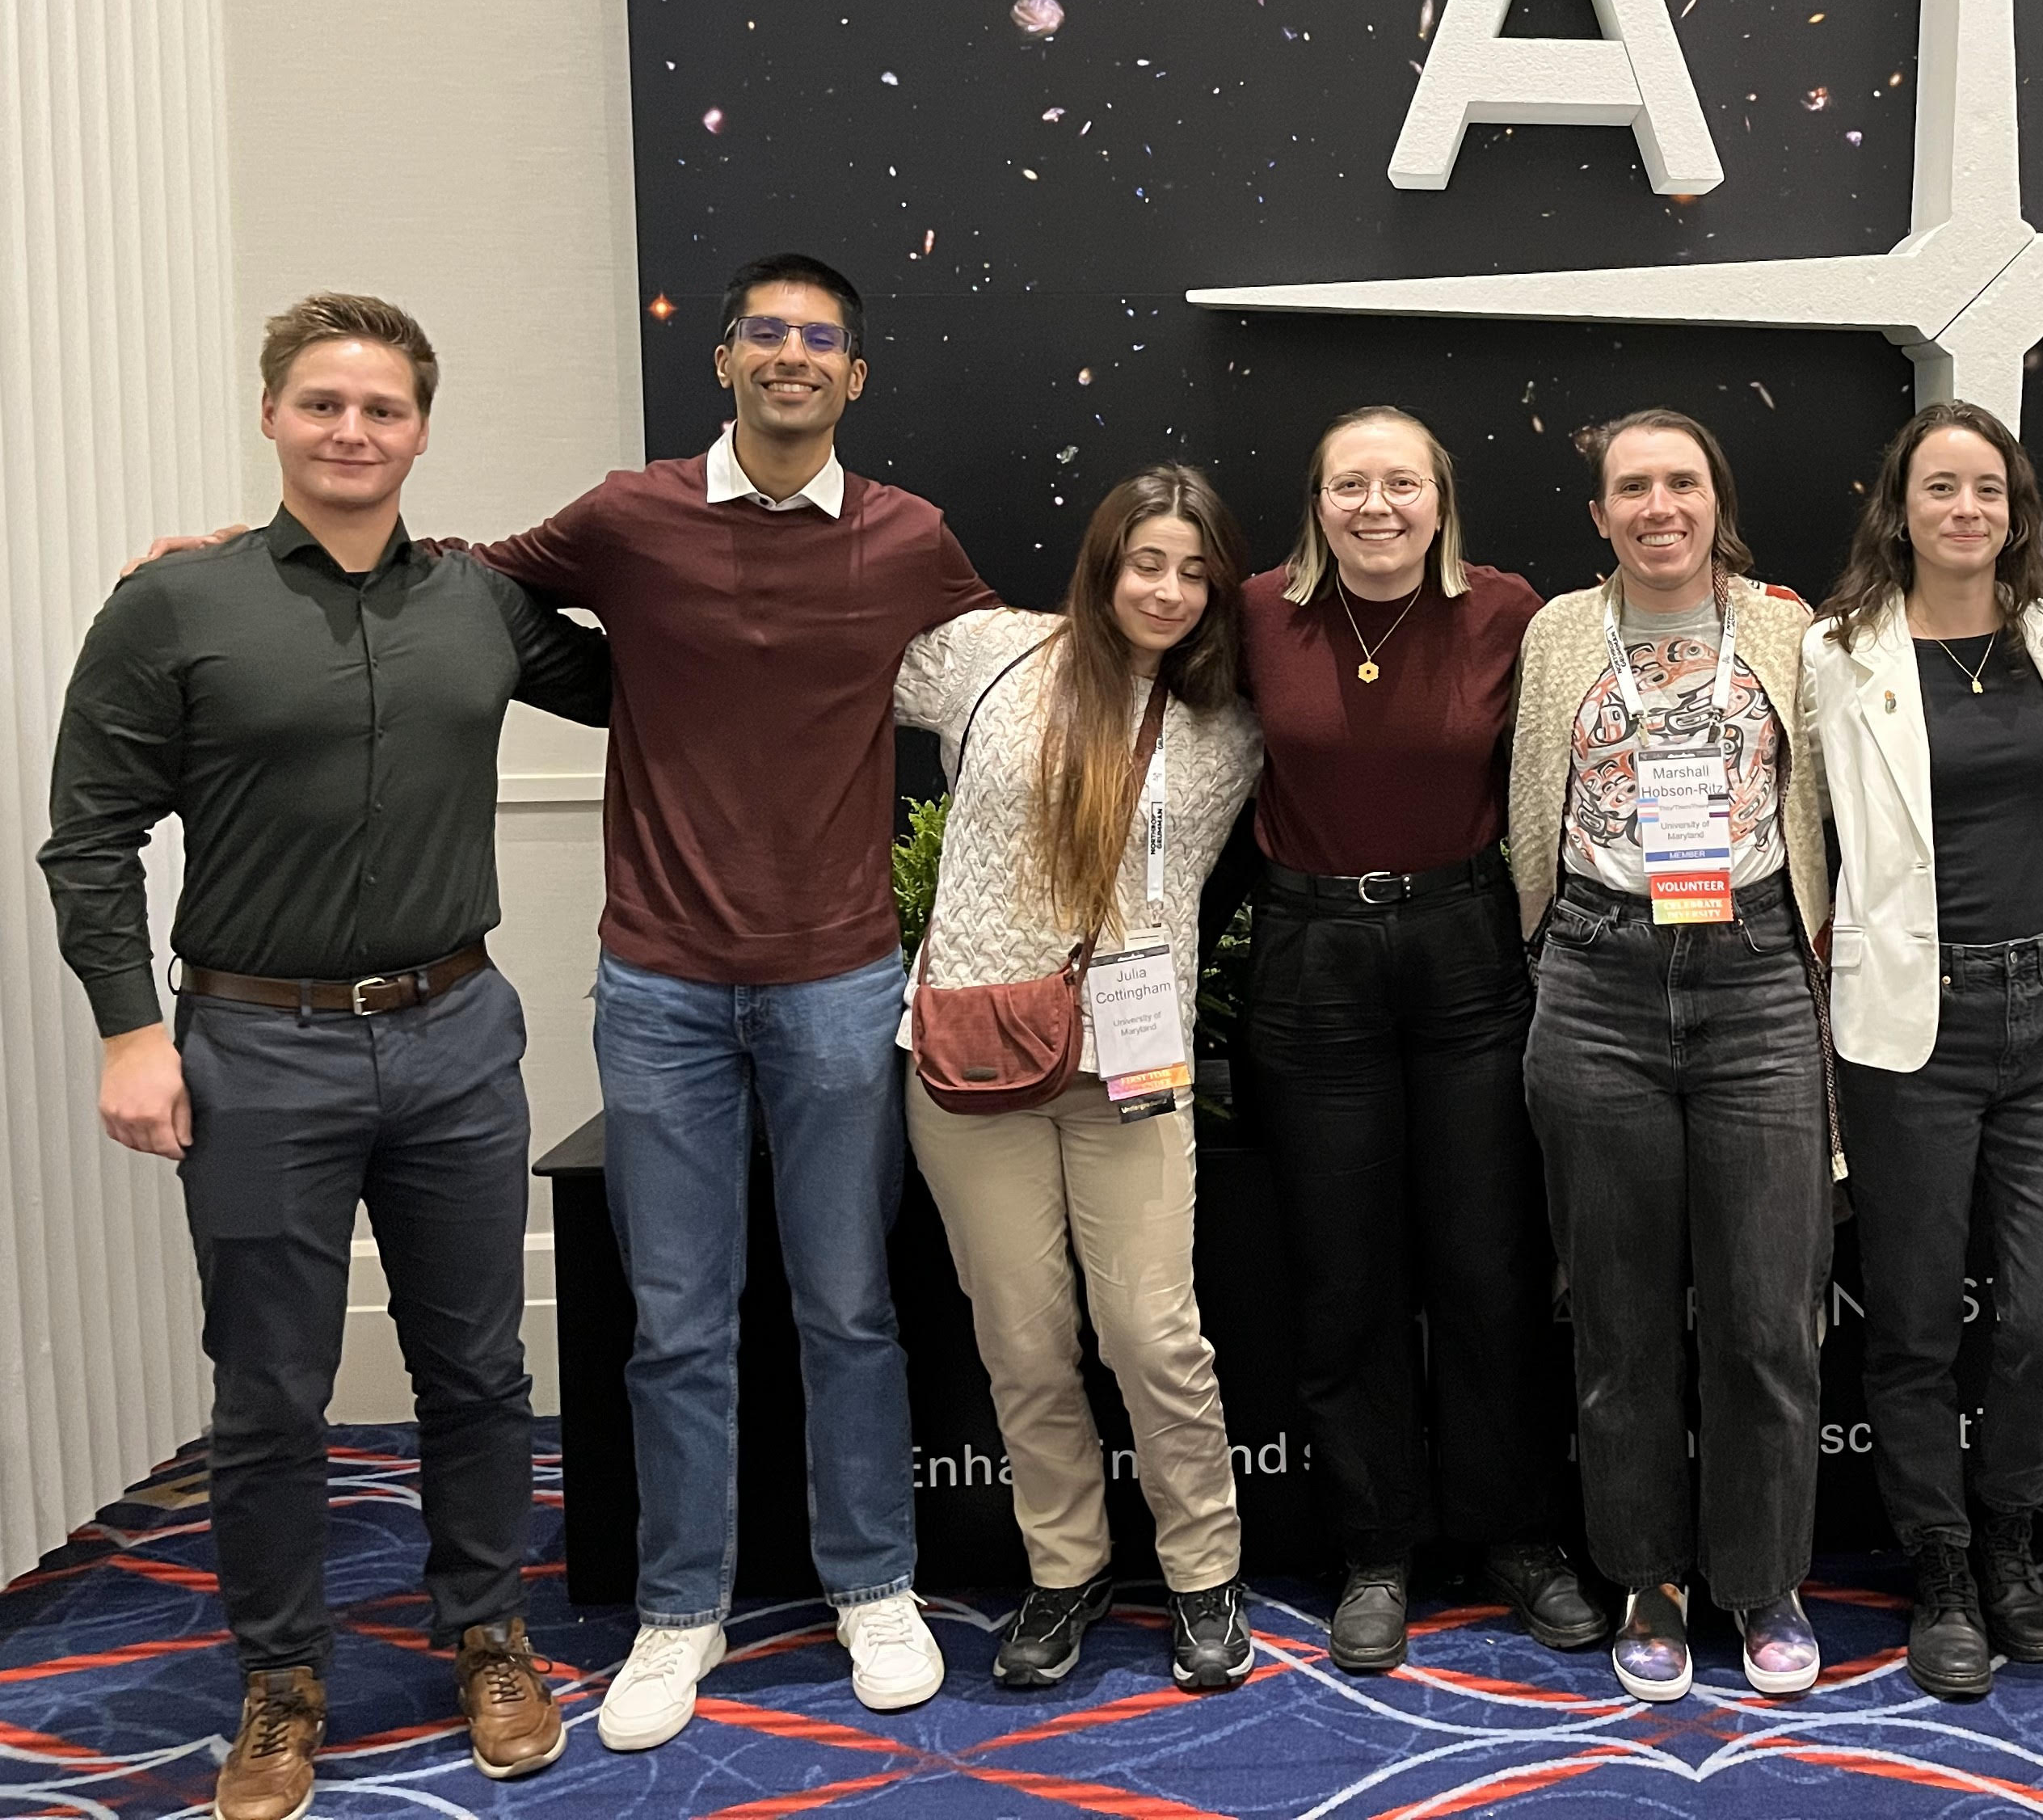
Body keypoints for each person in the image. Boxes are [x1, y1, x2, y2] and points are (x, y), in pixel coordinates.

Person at [40, 295, 609, 1820]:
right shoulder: (173, 606)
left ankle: (488, 1632)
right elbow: (88, 835)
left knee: (479, 1368)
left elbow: (663, 688)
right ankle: (281, 1681)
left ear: (422, 430)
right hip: (252, 1048)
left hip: (457, 1036)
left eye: (383, 409)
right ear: (276, 417)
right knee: (273, 1392)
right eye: (324, 405)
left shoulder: (481, 603)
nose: (353, 431)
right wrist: (129, 1031)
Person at [471, 255, 994, 1748]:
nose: (790, 357)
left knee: (847, 1307)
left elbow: (1009, 674)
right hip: (660, 986)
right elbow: (472, 580)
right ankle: (678, 1609)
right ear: (722, 360)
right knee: (676, 1322)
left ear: (854, 376)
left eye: (818, 340)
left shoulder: (907, 538)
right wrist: (252, 553)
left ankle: (870, 1583)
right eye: (765, 334)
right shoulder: (632, 519)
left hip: (838, 981)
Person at [1235, 408, 1599, 1674]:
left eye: (1401, 483)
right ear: (1316, 501)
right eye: (1350, 484)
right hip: (1310, 958)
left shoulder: (1509, 612)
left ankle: (1515, 1539)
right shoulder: (1254, 613)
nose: (1375, 505)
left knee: (1490, 1264)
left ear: (1442, 499)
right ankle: (1377, 1550)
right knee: (1343, 1277)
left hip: (1464, 952)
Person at [895, 467, 1266, 1694]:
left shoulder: (1234, 717)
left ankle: (1205, 1569)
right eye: (1145, 561)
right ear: (1104, 563)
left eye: (1194, 569)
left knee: (1152, 1333)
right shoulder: (992, 656)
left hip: (1134, 1058)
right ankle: (1064, 1572)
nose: (1166, 589)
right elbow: (806, 652)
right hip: (973, 1054)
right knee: (1021, 1336)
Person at [1510, 409, 1834, 1703]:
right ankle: (1649, 1575)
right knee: (1621, 1317)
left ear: (1717, 502)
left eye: (1682, 483)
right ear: (1599, 515)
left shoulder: (1787, 630)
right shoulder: (1553, 636)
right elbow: (1524, 805)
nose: (1659, 506)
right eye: (1631, 487)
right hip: (1597, 976)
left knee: (1766, 1318)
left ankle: (1763, 1580)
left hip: (1756, 975)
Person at [1809, 402, 2043, 1700]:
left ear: (2017, 508)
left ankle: (2006, 1533)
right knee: (1918, 1324)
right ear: (1899, 507)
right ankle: (1938, 1561)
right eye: (1941, 487)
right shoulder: (1837, 654)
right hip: (1905, 1027)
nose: (1966, 510)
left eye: (1988, 488)